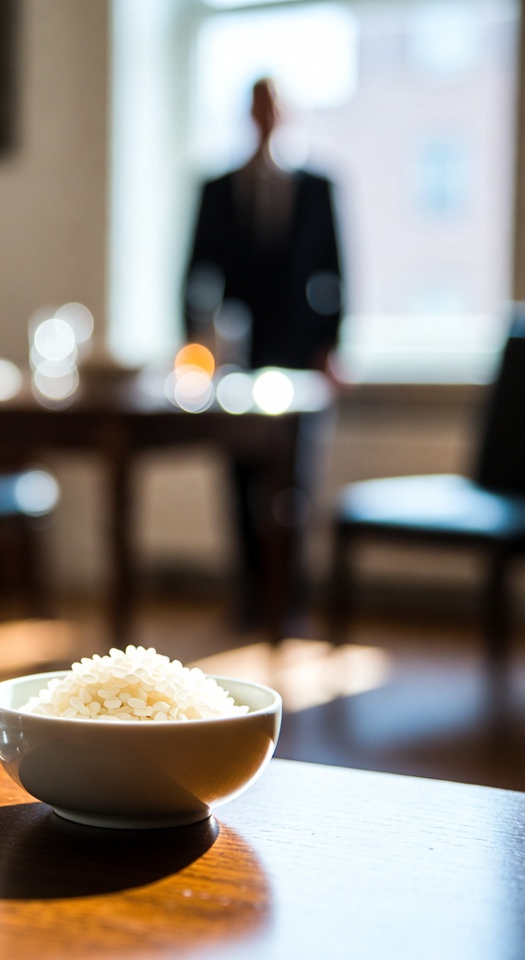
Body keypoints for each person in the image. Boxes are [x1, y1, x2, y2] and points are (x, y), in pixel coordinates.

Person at [183, 77, 344, 634]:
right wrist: (196, 347)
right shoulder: (217, 188)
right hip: (235, 356)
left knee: (293, 480)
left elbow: (336, 271)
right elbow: (193, 273)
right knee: (238, 478)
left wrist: (333, 347)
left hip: (298, 354)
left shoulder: (318, 187)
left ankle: (288, 596)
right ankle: (248, 594)